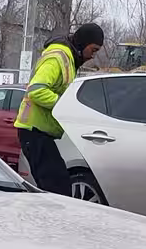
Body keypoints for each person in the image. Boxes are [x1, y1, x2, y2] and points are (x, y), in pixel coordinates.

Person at [13, 23, 104, 195]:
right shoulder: (57, 57)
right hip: (34, 131)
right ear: (84, 43)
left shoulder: (68, 58)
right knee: (57, 189)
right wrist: (64, 104)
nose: (93, 56)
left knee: (56, 186)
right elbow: (36, 90)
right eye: (93, 49)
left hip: (41, 132)